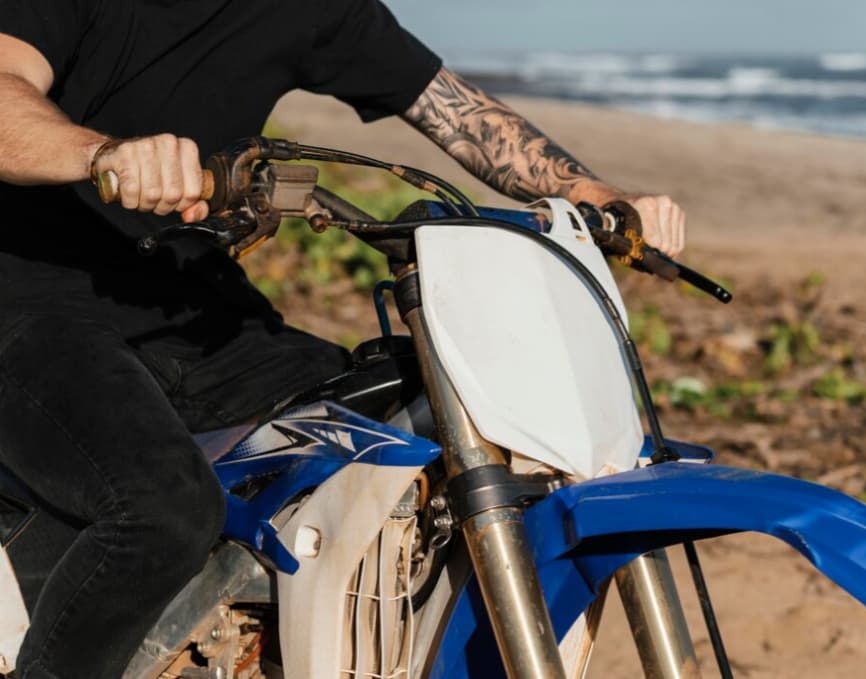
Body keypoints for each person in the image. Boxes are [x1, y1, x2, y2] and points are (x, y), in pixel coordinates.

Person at [0, 1, 686, 677]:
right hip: (29, 303)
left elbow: (455, 112)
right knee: (162, 509)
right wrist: (102, 154)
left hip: (196, 310)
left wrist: (593, 195)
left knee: (414, 428)